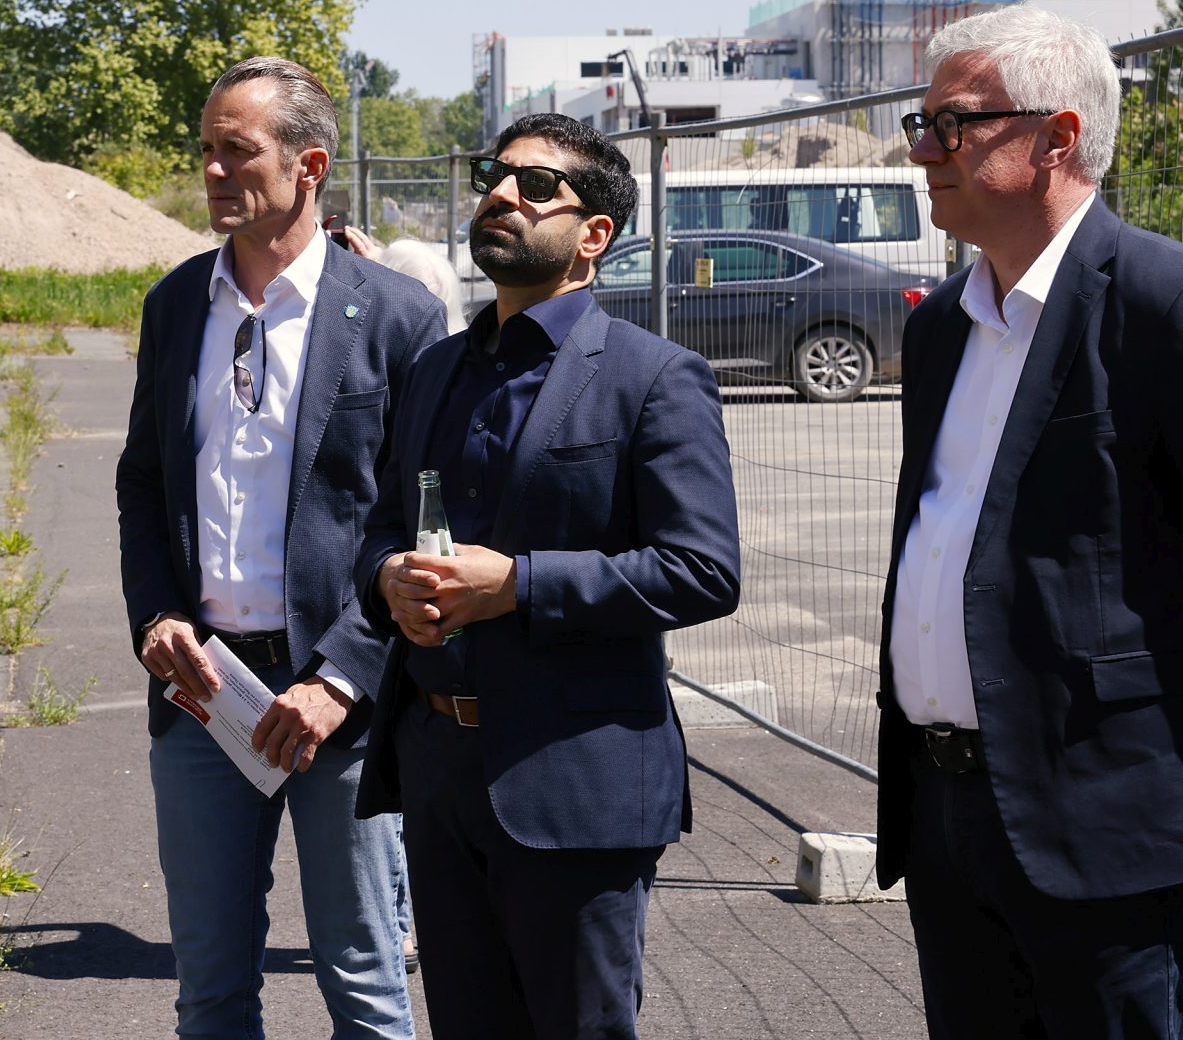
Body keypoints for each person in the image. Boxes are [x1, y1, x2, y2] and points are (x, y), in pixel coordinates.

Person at [876, 5, 1183, 1039]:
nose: (922, 150)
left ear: (1058, 138)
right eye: (920, 124)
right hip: (952, 814)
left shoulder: (1177, 308)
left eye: (953, 123)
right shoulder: (946, 332)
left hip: (1120, 819)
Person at [354, 111, 741, 1039]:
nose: (498, 193)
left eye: (533, 186)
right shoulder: (436, 369)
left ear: (593, 236)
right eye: (495, 175)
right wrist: (388, 580)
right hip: (440, 773)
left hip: (576, 785)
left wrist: (517, 582)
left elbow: (701, 569)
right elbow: (377, 530)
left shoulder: (655, 377)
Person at [114, 57, 446, 1039]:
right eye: (206, 150)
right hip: (205, 698)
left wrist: (343, 677)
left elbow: (419, 521)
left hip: (345, 709)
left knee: (366, 981)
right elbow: (143, 481)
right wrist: (156, 613)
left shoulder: (394, 316)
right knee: (210, 991)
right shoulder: (177, 307)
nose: (213, 169)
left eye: (236, 150)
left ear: (308, 165)